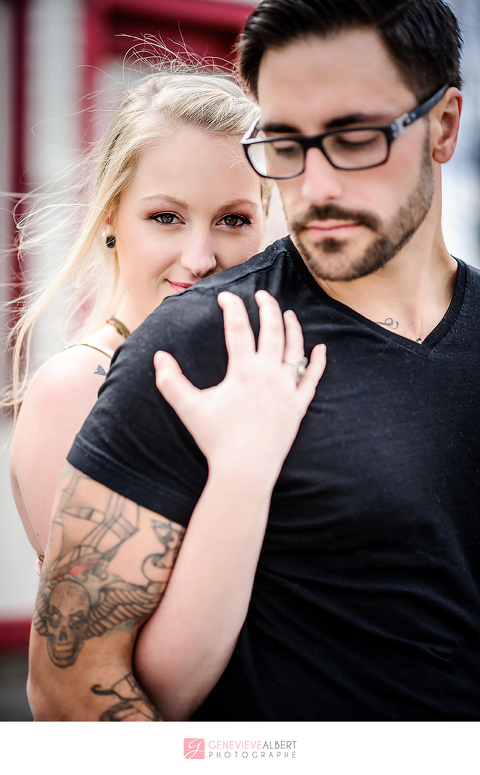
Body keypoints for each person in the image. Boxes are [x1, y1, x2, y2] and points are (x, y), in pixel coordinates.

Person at [29, 0, 480, 722]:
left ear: (444, 125)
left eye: (356, 137)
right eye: (285, 143)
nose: (318, 186)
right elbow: (75, 688)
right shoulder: (190, 350)